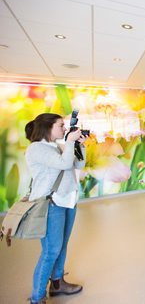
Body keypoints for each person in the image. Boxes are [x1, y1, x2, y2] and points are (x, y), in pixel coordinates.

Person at [25, 113, 88, 304]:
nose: (64, 128)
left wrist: (80, 146)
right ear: (48, 127)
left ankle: (57, 284)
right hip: (51, 204)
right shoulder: (36, 149)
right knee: (51, 251)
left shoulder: (57, 147)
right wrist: (69, 141)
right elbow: (64, 163)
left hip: (68, 201)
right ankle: (37, 297)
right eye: (61, 125)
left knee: (61, 247)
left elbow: (78, 164)